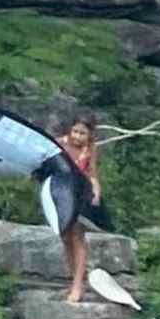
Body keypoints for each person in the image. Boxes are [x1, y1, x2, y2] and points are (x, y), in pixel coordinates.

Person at [51, 114, 107, 304]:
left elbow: (92, 174)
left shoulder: (90, 149)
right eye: (75, 131)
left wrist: (96, 193)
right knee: (65, 237)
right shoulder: (59, 144)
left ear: (90, 135)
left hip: (80, 195)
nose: (77, 136)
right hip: (62, 194)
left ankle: (77, 286)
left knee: (77, 237)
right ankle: (76, 277)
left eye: (82, 133)